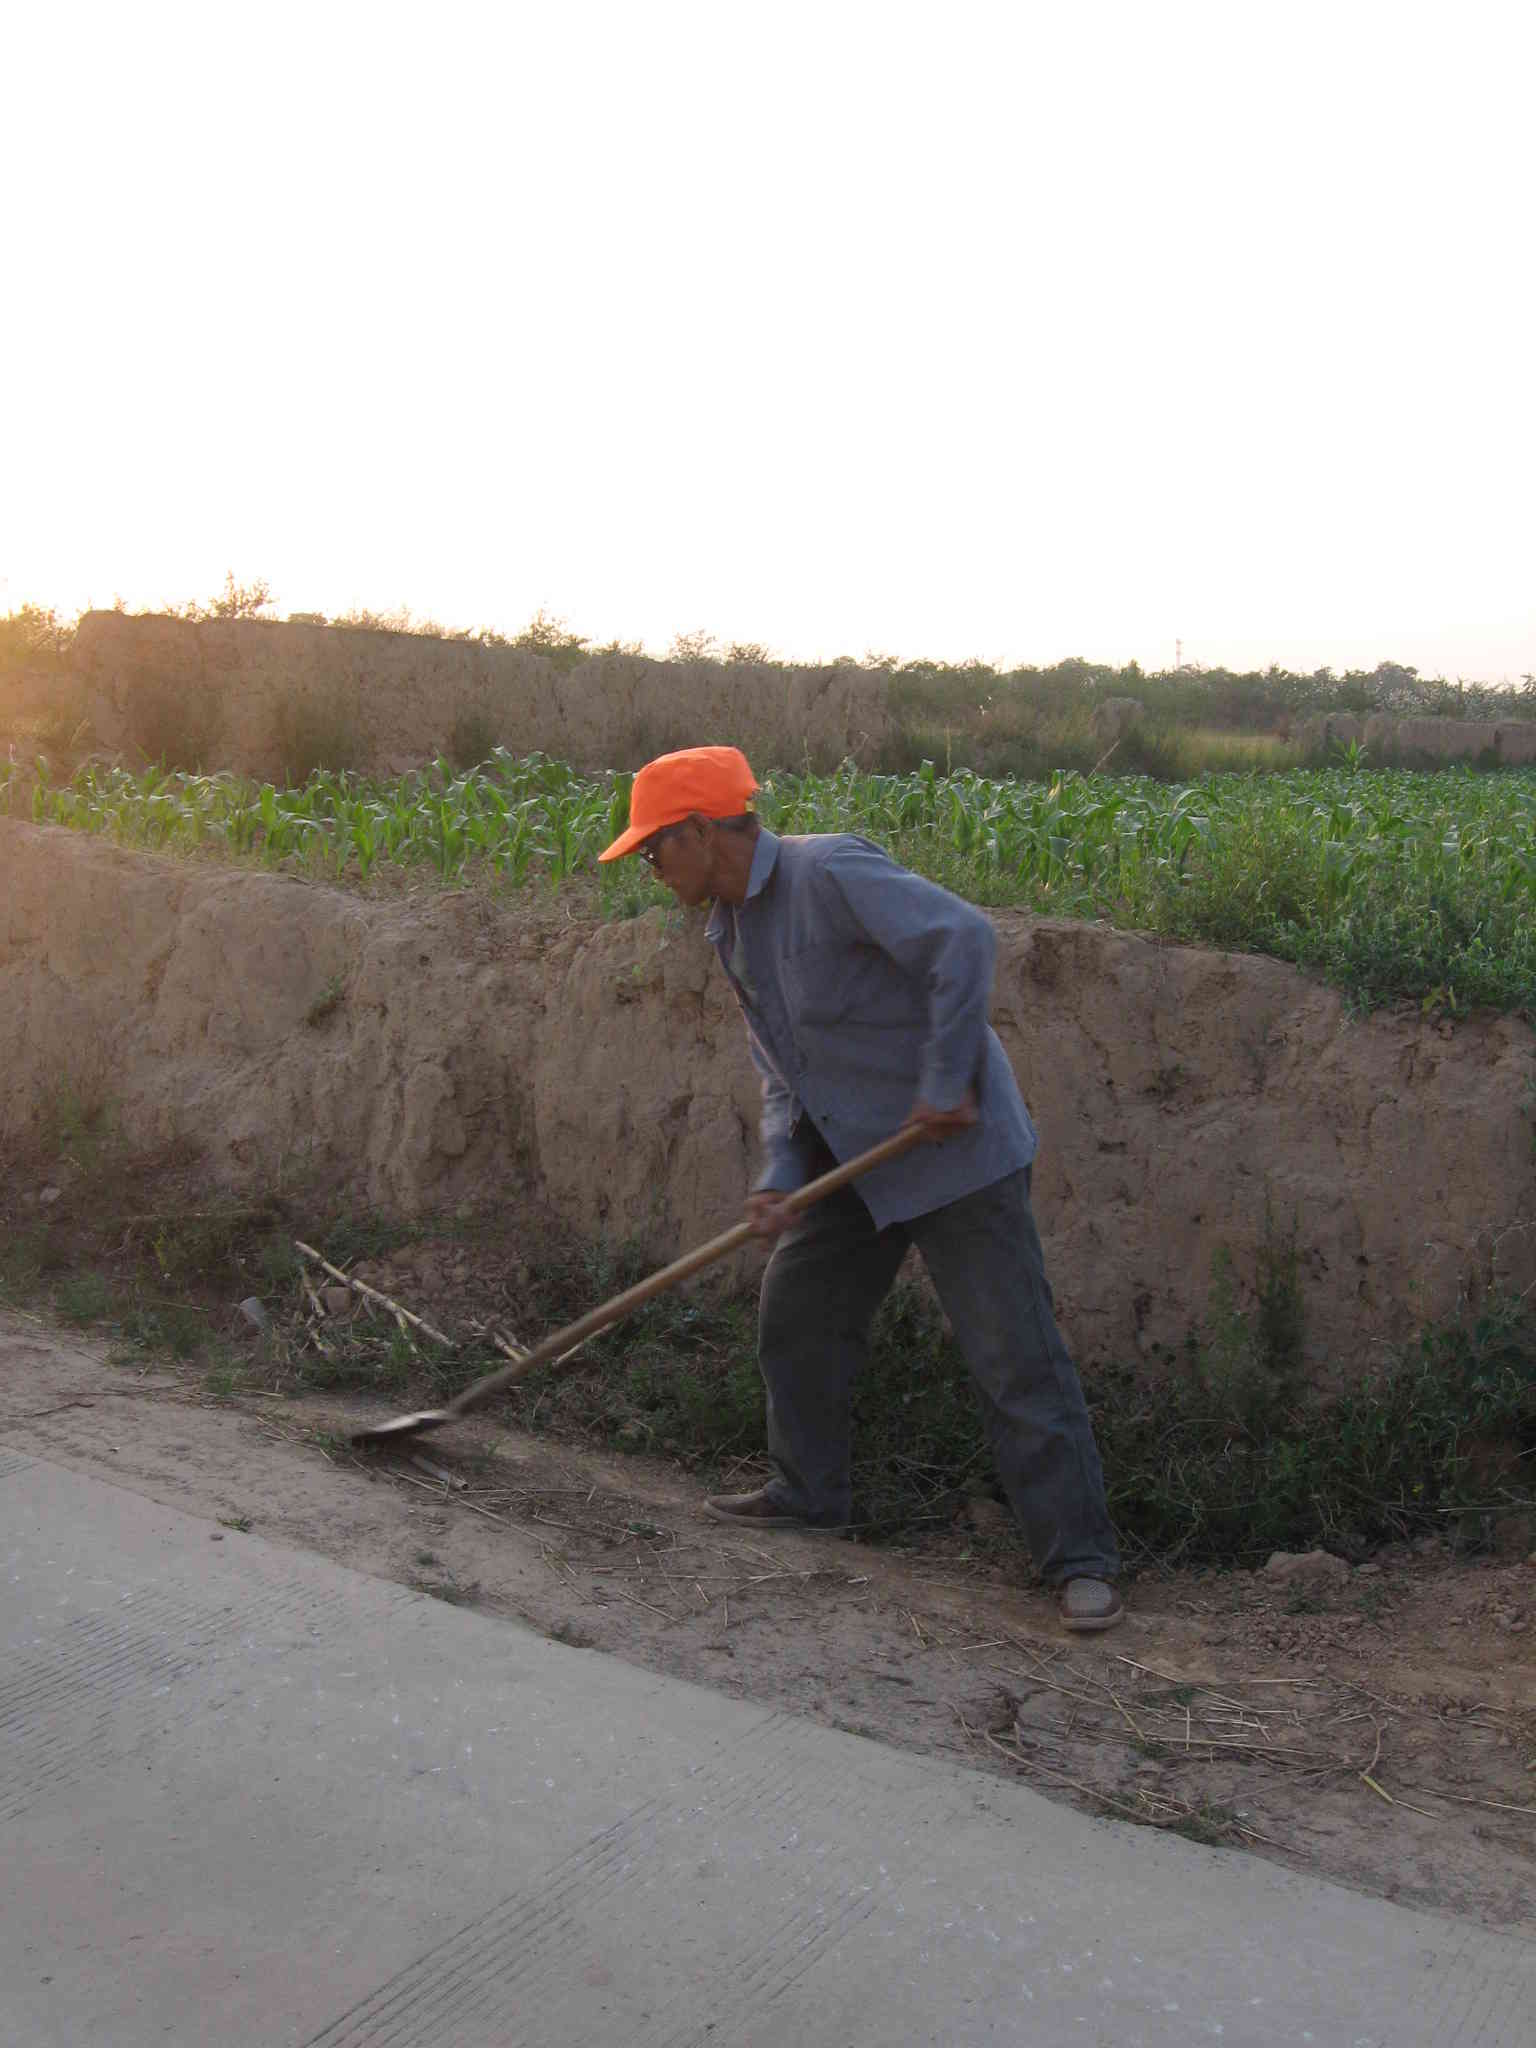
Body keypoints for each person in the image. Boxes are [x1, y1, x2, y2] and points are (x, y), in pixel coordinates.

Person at [600, 745, 1124, 1633]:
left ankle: (1082, 1560)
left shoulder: (829, 872)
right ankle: (810, 1494)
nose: (651, 869)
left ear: (699, 831)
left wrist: (946, 1076)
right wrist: (780, 1173)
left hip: (956, 1152)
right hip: (855, 1160)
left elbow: (964, 938)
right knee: (796, 1311)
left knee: (1013, 1360)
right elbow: (783, 1071)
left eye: (653, 850)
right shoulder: (731, 932)